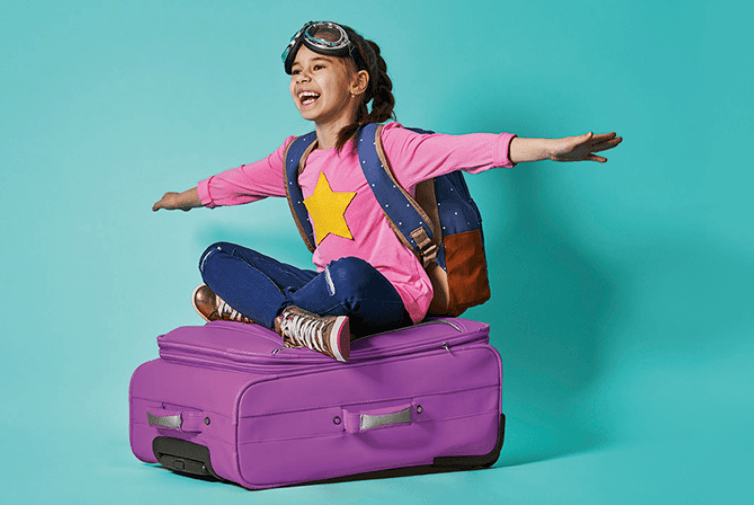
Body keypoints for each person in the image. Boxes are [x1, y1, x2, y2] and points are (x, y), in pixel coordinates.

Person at [153, 21, 622, 362]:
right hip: (324, 291)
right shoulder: (295, 157)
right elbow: (238, 182)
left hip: (388, 294)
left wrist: (551, 149)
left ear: (358, 83)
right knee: (216, 258)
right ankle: (291, 322)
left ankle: (260, 311)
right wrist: (184, 197)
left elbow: (469, 150)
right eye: (296, 71)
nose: (302, 78)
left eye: (318, 66)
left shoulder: (388, 144)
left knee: (349, 276)